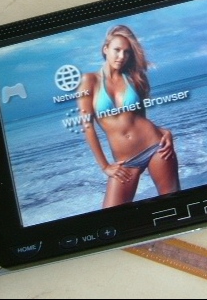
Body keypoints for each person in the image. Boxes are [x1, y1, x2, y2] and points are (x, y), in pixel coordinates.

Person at [77, 25, 181, 208]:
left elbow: (139, 117)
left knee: (174, 205)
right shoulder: (89, 81)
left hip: (156, 146)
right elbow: (87, 127)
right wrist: (105, 166)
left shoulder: (135, 78)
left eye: (126, 52)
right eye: (117, 50)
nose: (121, 56)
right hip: (126, 162)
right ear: (105, 49)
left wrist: (164, 131)